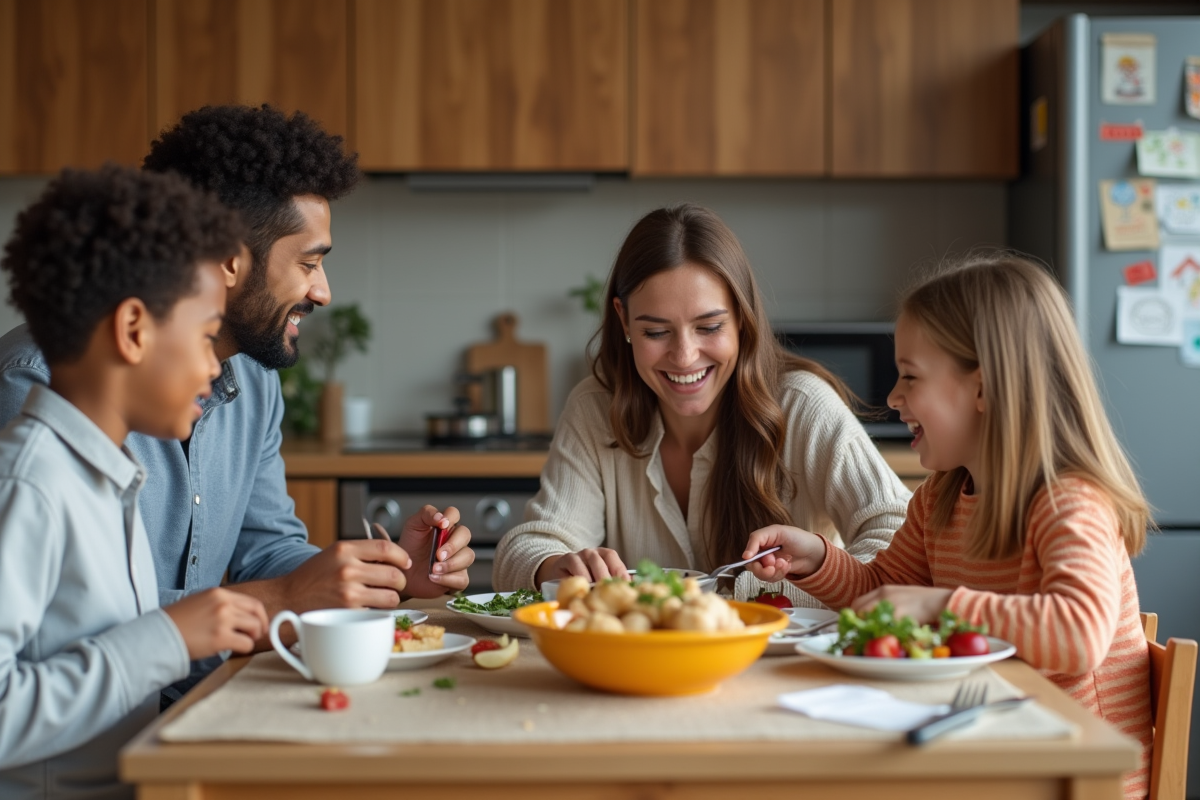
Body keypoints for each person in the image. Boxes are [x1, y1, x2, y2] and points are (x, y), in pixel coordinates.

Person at [0, 105, 474, 704]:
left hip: (180, 707)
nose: (324, 291)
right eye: (309, 261)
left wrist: (383, 574)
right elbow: (65, 619)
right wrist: (267, 604)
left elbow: (267, 555)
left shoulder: (253, 377)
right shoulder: (39, 393)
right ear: (229, 258)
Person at [742, 253, 1152, 798]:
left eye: (910, 377)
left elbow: (1079, 634)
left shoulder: (1067, 501)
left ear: (982, 390)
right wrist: (816, 557)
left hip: (1073, 769)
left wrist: (940, 605)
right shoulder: (941, 495)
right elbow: (883, 591)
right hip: (992, 750)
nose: (892, 398)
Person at [0, 164, 271, 799]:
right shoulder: (30, 484)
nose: (215, 367)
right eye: (206, 337)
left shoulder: (106, 476)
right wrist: (168, 636)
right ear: (132, 330)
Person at [493, 203, 910, 605]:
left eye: (709, 327)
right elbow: (526, 548)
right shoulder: (594, 409)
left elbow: (901, 538)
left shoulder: (803, 405)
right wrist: (554, 565)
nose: (685, 356)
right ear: (623, 320)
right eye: (656, 332)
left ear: (741, 318)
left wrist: (802, 580)